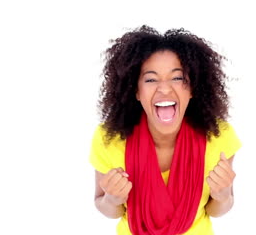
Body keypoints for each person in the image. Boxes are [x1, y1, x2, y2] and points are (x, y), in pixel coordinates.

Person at [89, 25, 241, 235]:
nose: (164, 88)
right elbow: (106, 207)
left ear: (193, 89)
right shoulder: (109, 139)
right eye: (150, 79)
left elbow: (216, 210)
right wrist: (112, 199)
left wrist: (223, 195)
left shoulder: (218, 136)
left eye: (177, 77)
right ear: (136, 91)